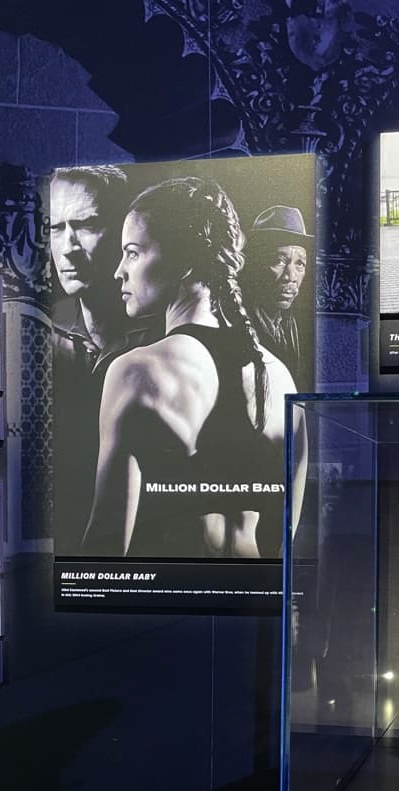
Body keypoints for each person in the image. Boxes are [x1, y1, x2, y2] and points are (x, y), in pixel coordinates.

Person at [81, 176, 307, 558]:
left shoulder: (136, 372)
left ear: (183, 260)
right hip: (257, 592)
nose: (119, 271)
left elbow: (105, 549)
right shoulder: (281, 378)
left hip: (175, 592)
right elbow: (286, 545)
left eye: (133, 252)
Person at [50, 165, 160, 553]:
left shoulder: (164, 337)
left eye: (86, 225)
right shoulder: (41, 334)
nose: (68, 246)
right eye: (55, 227)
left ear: (121, 231)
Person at [239, 204, 313, 392]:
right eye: (278, 261)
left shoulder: (291, 323)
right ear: (255, 264)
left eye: (300, 264)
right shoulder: (238, 323)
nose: (291, 276)